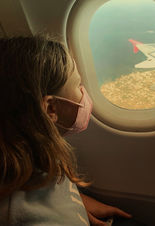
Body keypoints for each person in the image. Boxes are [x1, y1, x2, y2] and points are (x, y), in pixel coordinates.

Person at [0, 35, 135, 226]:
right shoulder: (32, 218)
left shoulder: (32, 148)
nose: (83, 91)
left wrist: (77, 204)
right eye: (78, 85)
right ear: (51, 109)